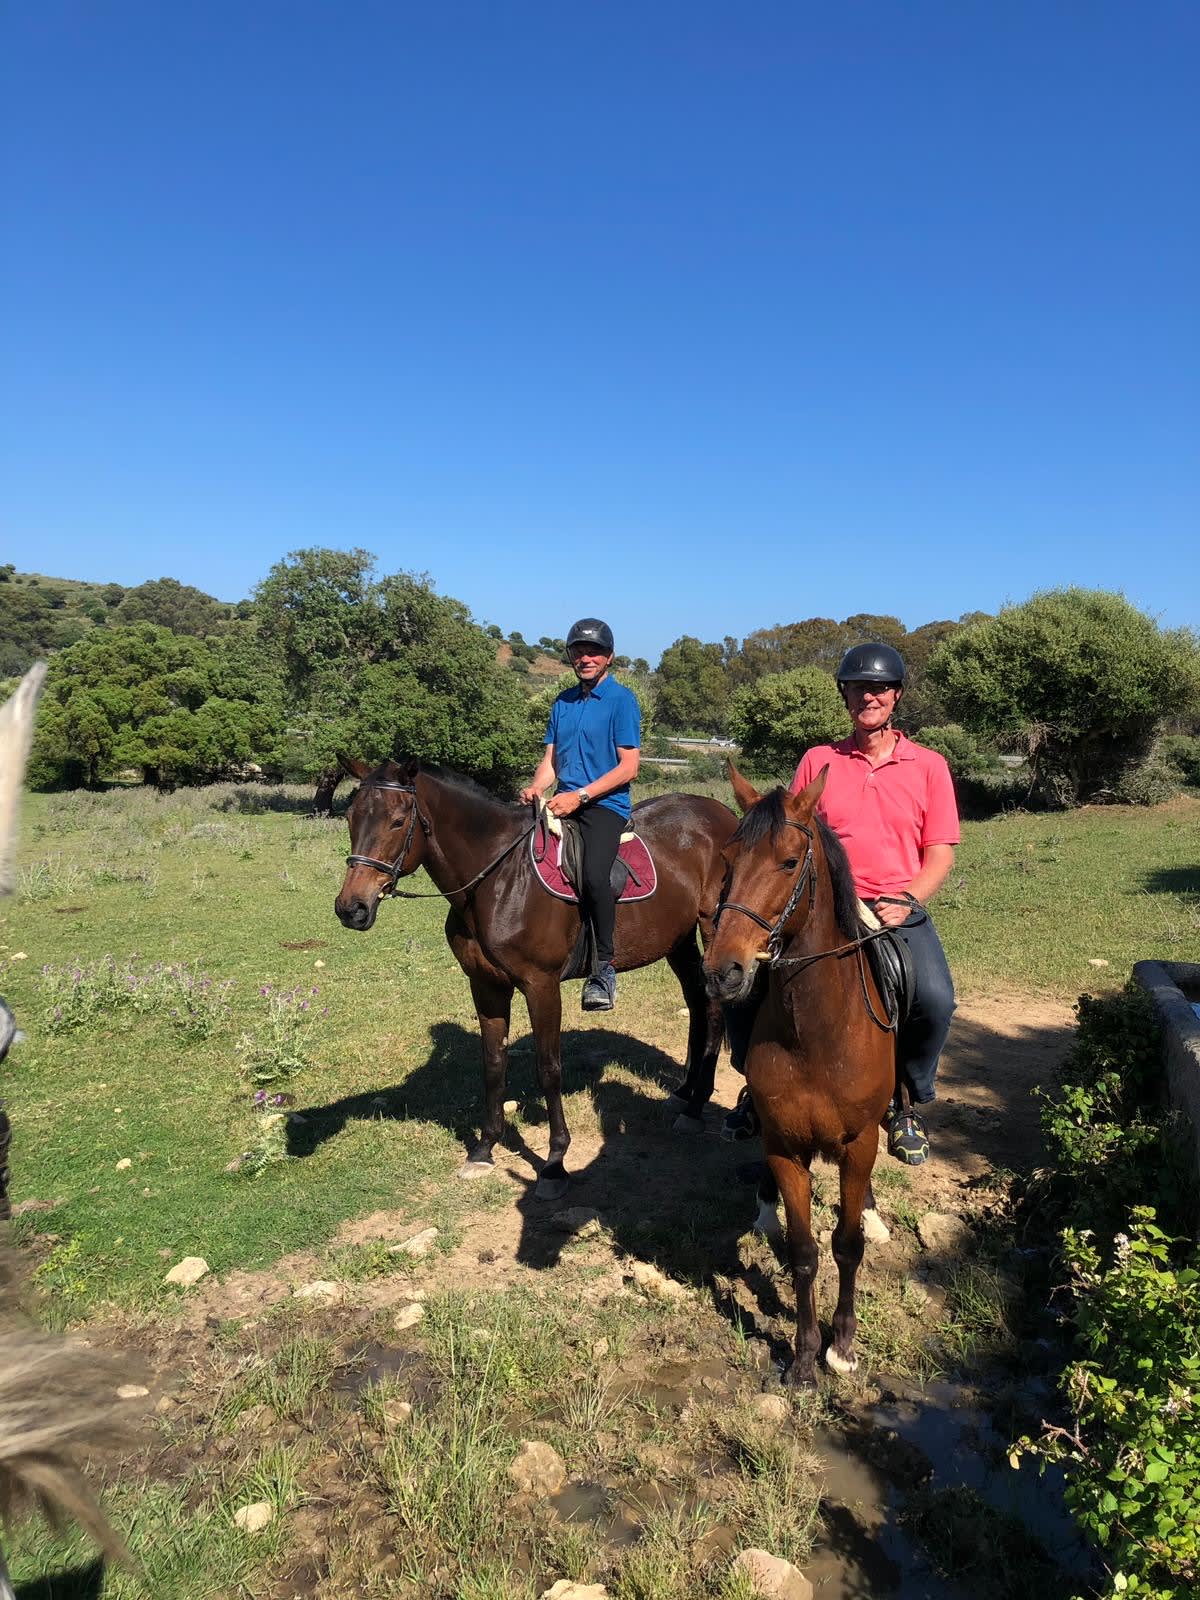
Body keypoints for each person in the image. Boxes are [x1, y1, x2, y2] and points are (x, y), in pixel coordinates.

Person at [723, 642, 959, 1165]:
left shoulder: (929, 766)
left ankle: (906, 1099)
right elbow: (788, 831)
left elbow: (940, 852)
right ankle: (755, 1086)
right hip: (823, 905)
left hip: (893, 903)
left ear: (896, 697)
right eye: (857, 689)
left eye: (879, 689)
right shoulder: (819, 760)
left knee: (935, 998)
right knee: (743, 986)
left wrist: (908, 898)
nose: (868, 697)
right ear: (846, 697)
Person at [520, 618, 641, 1011]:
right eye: (579, 652)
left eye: (594, 652)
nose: (586, 658)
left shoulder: (621, 701)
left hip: (604, 806)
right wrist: (537, 787)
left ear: (609, 657)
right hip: (561, 801)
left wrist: (581, 795)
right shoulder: (563, 702)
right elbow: (551, 761)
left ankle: (604, 968)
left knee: (593, 875)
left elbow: (629, 767)